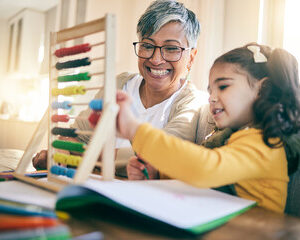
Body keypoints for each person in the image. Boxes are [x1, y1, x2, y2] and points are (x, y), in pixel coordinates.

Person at [32, 0, 213, 173]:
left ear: (191, 57)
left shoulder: (192, 103)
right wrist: (64, 151)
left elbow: (159, 157)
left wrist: (84, 154)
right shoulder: (120, 85)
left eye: (172, 48)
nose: (156, 59)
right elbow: (76, 137)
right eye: (147, 45)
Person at [117, 42, 300, 213]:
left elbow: (204, 168)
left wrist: (136, 130)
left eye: (223, 86)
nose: (211, 97)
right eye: (210, 90)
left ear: (262, 89)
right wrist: (157, 173)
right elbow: (206, 180)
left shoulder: (265, 143)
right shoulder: (233, 138)